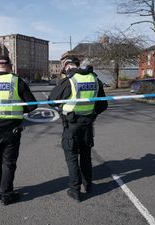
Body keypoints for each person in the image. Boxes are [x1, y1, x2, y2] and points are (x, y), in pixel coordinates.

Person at [48, 56, 108, 202]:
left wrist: (63, 107)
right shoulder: (95, 79)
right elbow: (103, 104)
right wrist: (92, 114)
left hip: (71, 125)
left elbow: (51, 100)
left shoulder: (70, 80)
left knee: (72, 157)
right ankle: (88, 185)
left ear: (68, 66)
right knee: (86, 156)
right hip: (87, 125)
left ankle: (75, 190)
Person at [0, 55, 37, 205]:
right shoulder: (17, 81)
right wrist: (19, 109)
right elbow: (33, 105)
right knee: (8, 163)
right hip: (12, 128)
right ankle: (6, 194)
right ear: (10, 66)